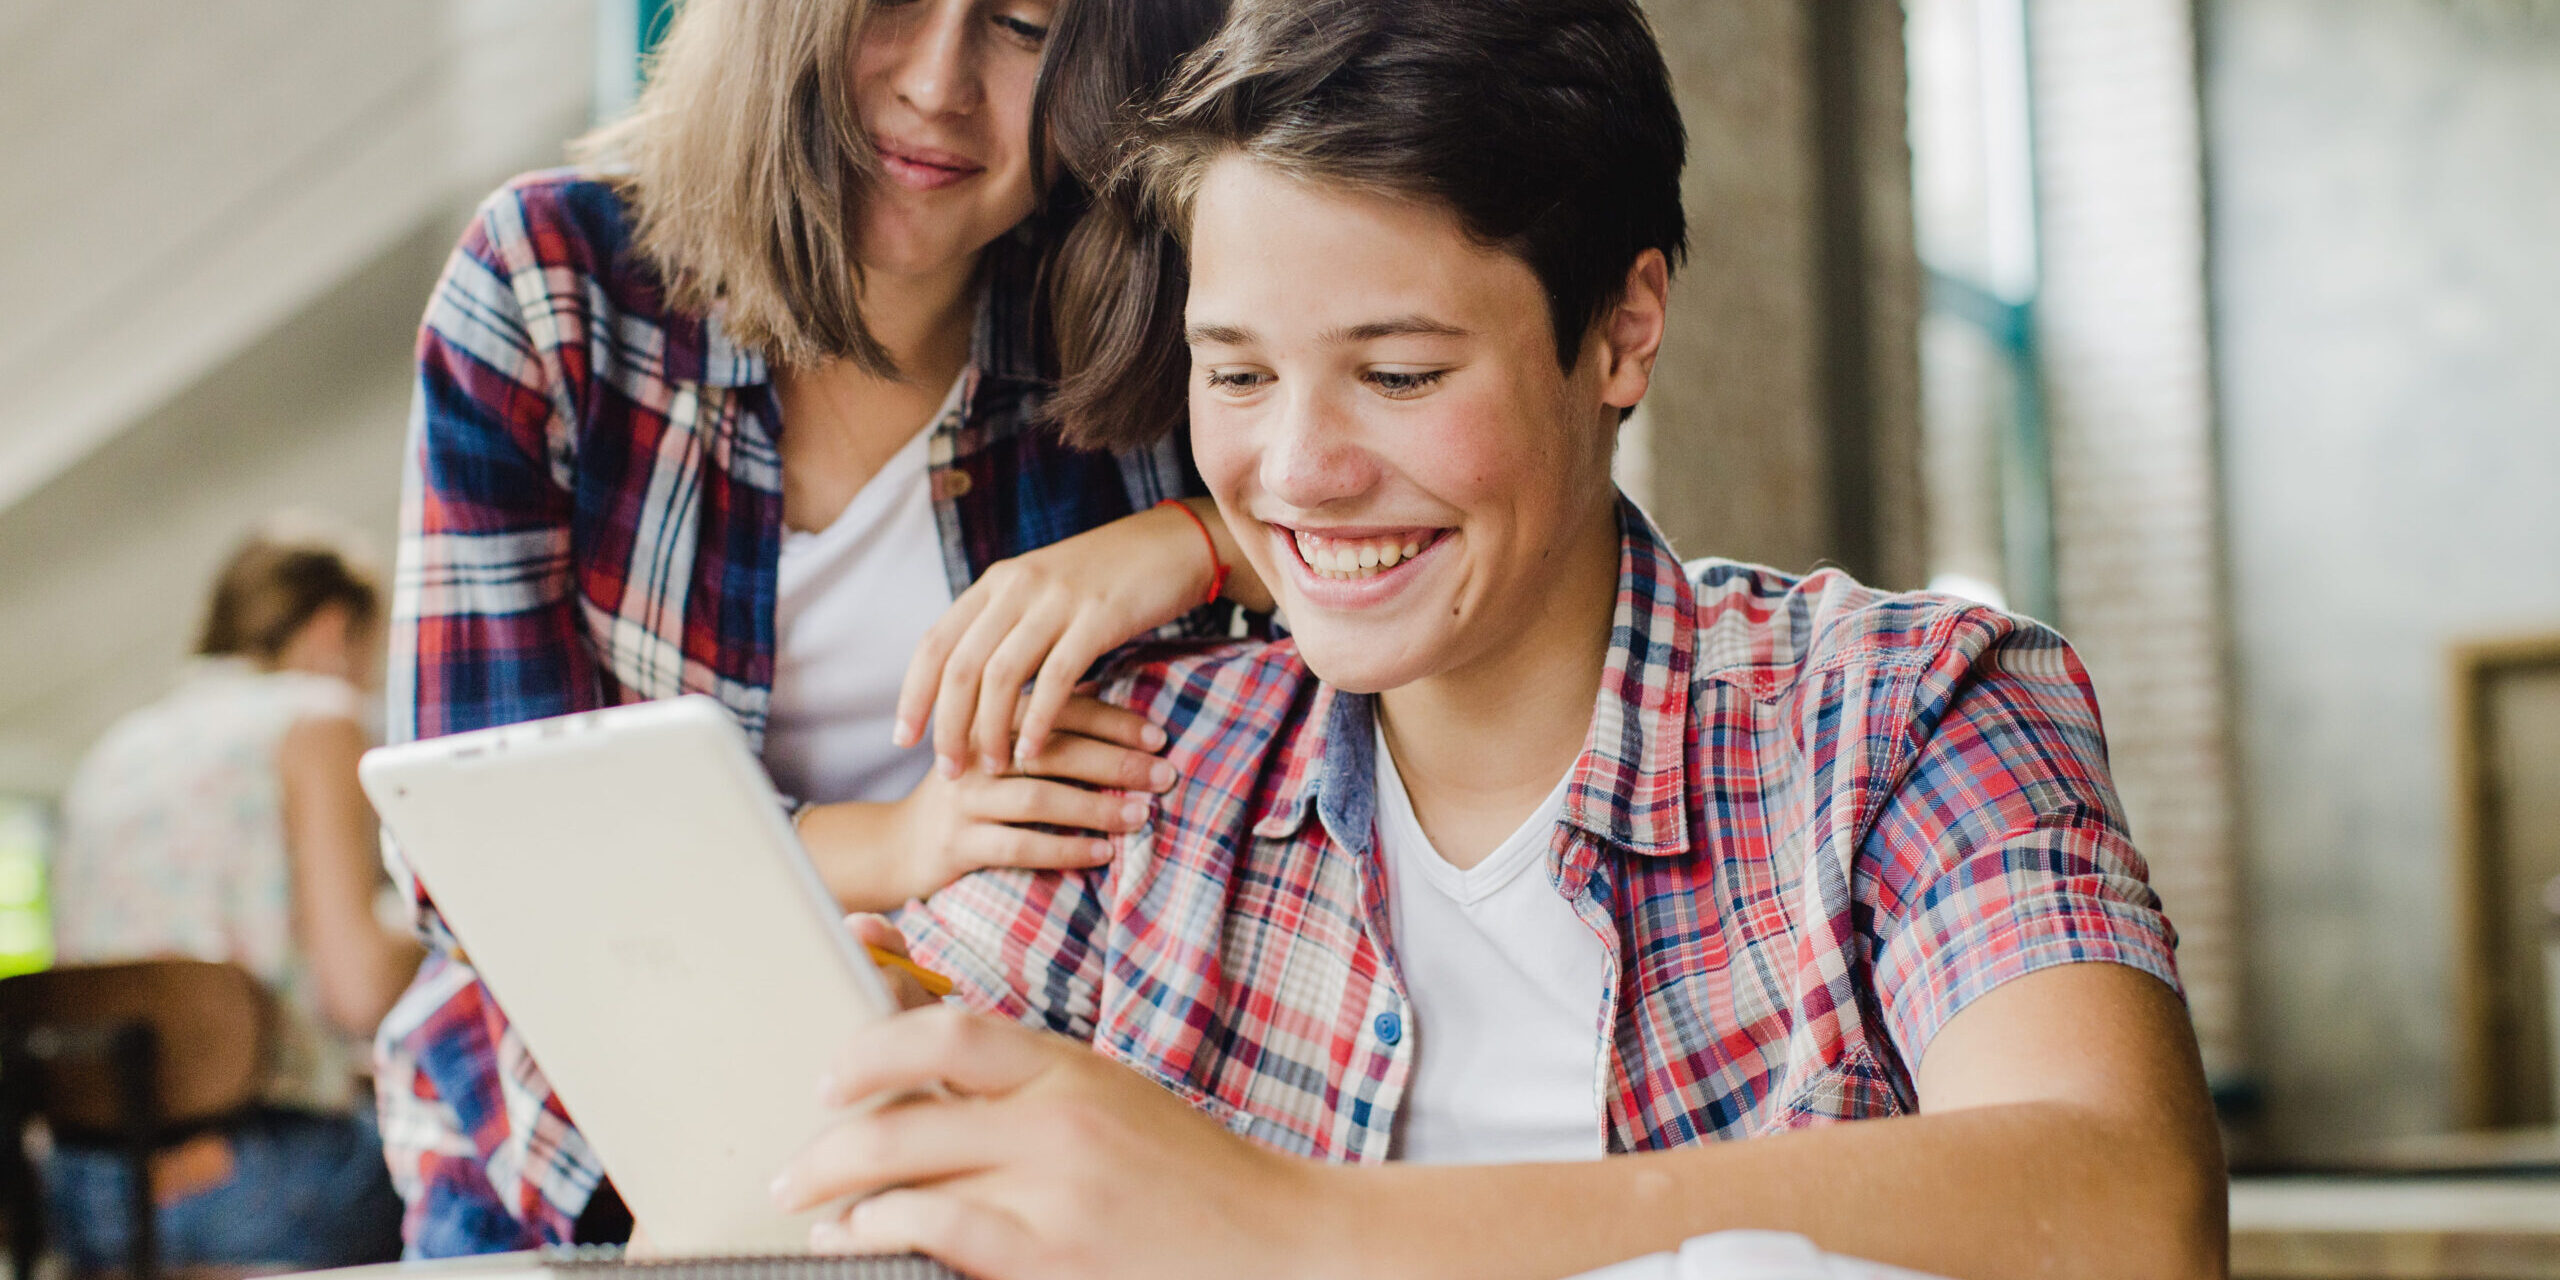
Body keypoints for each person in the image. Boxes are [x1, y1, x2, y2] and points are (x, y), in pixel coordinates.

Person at [770, 2, 2228, 1277]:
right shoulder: (1139, 772)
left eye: (1399, 374)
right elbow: (776, 1195)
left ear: (1620, 333)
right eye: (1238, 373)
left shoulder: (1905, 716)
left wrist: (1291, 1231)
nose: (1299, 470)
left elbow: (2123, 1210)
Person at [376, 0, 1263, 1254]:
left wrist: (1185, 542)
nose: (941, 85)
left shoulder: (1147, 298)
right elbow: (468, 857)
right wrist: (904, 841)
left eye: (1021, 26)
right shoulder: (549, 277)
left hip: (998, 1112)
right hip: (572, 1137)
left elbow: (1435, 520)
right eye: (892, 5)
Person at [48, 520, 416, 1270]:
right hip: (257, 1182)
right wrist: (443, 928)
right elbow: (360, 992)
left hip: (85, 1188)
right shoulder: (317, 719)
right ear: (331, 630)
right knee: (471, 1161)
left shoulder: (115, 747)